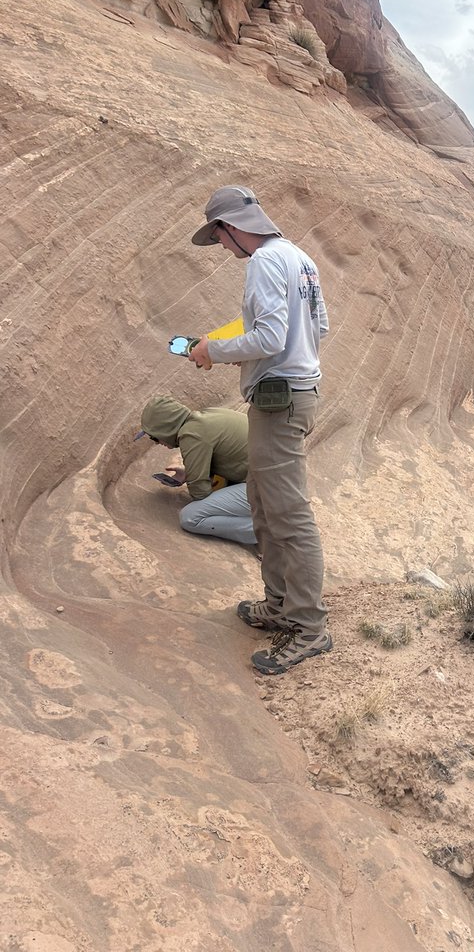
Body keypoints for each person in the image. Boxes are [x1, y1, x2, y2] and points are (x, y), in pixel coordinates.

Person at [188, 185, 331, 676]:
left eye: (221, 239)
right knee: (264, 506)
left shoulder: (263, 262)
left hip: (281, 398)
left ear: (231, 227)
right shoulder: (300, 258)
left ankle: (309, 628)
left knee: (288, 514)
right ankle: (278, 605)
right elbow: (321, 326)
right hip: (290, 392)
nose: (224, 250)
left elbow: (270, 336)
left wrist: (213, 351)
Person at [137, 395, 256, 547]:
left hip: (272, 489)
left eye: (154, 438)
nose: (157, 443)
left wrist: (195, 478)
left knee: (191, 518)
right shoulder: (206, 415)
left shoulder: (191, 434)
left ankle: (269, 531)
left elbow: (200, 492)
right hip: (285, 478)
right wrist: (190, 472)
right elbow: (231, 456)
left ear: (165, 429)